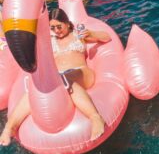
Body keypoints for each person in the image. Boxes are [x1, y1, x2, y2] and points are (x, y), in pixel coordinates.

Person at [0, 8, 110, 146]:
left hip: (81, 73)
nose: (57, 30)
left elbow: (106, 37)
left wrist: (92, 33)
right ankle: (10, 127)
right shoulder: (49, 41)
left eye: (59, 26)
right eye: (53, 27)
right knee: (36, 88)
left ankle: (96, 117)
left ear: (68, 24)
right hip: (59, 78)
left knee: (64, 78)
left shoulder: (79, 35)